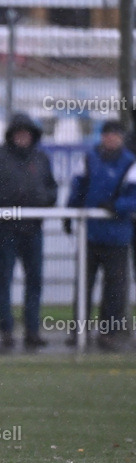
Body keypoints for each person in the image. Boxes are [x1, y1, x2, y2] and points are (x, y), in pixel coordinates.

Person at [0, 113, 58, 352]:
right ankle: (6, 330)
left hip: (33, 228)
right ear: (11, 135)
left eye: (27, 133)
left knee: (35, 280)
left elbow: (52, 189)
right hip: (5, 229)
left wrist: (43, 201)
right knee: (5, 278)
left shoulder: (41, 159)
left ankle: (32, 330)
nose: (23, 137)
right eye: (18, 133)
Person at [65, 119, 136, 351]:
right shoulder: (89, 159)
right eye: (107, 134)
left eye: (116, 134)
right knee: (83, 284)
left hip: (117, 236)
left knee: (114, 289)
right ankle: (79, 330)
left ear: (121, 137)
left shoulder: (130, 163)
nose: (111, 138)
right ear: (102, 136)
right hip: (91, 234)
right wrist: (69, 213)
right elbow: (77, 188)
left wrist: (117, 206)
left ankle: (109, 333)